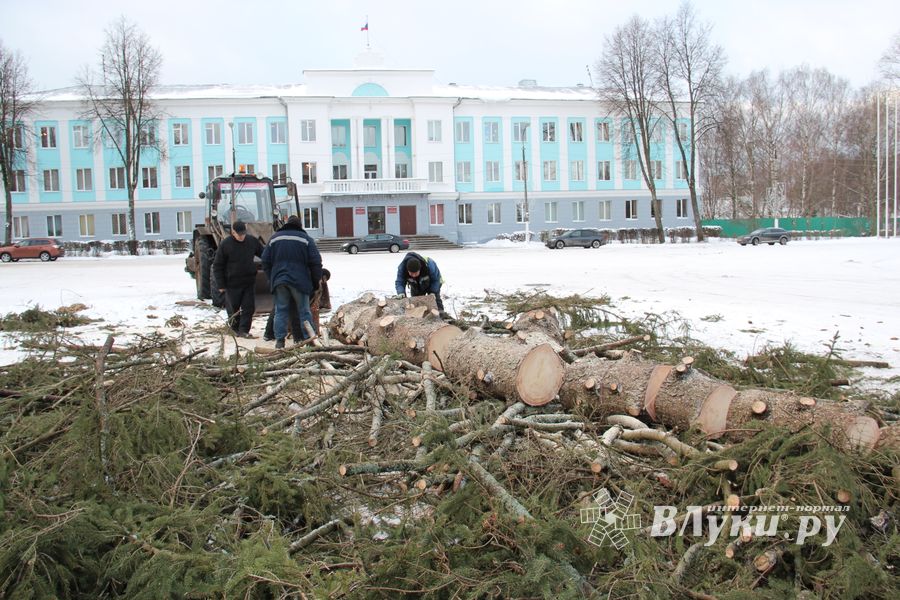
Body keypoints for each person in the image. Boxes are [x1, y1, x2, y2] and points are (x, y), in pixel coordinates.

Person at [261, 216, 323, 349]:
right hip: (300, 281)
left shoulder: (274, 238)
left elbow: (265, 260)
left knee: (280, 311)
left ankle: (280, 341)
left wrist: (272, 277)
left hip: (279, 281)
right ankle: (309, 341)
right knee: (304, 311)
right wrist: (315, 282)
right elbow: (316, 262)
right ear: (300, 226)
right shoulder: (306, 239)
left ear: (287, 224)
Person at [212, 220, 263, 338]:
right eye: (239, 234)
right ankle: (234, 329)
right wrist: (221, 284)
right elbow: (218, 265)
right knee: (233, 308)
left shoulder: (251, 241)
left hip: (248, 281)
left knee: (249, 307)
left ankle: (244, 330)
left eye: (243, 234)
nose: (241, 236)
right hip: (232, 283)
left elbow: (264, 253)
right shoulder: (225, 244)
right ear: (233, 232)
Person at [263, 268, 331, 343]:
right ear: (323, 277)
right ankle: (298, 338)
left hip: (279, 281)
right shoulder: (312, 277)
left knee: (278, 309)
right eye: (324, 280)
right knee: (295, 311)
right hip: (294, 284)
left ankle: (269, 334)